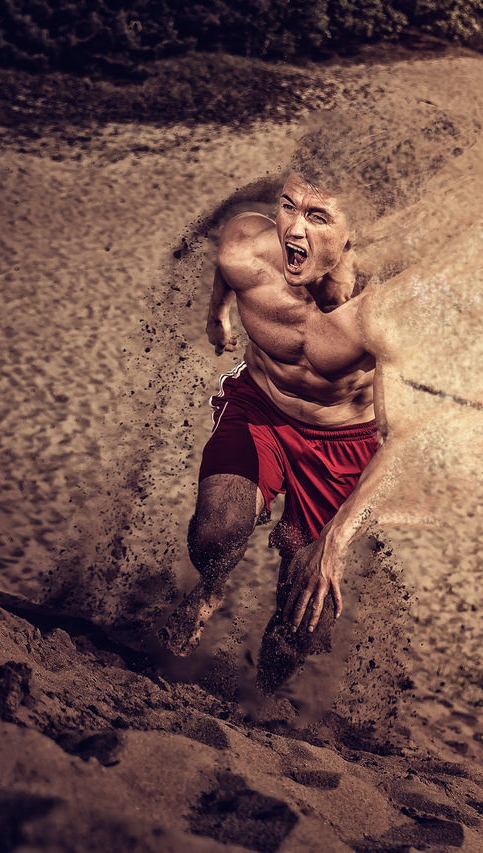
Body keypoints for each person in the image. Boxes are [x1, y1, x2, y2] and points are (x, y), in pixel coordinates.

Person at [160, 169, 386, 693]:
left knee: (305, 621)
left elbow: (399, 442)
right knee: (216, 529)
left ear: (355, 234)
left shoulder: (383, 306)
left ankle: (261, 703)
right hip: (262, 408)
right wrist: (218, 313)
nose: (293, 230)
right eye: (288, 207)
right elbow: (227, 267)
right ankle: (211, 588)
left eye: (317, 217)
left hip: (344, 448)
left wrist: (334, 543)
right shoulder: (247, 247)